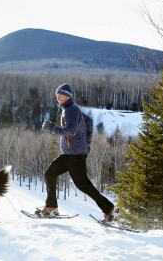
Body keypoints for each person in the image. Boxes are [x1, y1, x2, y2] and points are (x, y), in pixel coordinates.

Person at [36, 83, 115, 221]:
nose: (58, 98)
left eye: (60, 96)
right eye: (57, 96)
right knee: (50, 174)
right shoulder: (71, 108)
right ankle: (51, 208)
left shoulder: (70, 110)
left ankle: (108, 208)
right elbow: (88, 121)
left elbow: (70, 131)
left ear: (67, 96)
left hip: (75, 155)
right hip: (71, 154)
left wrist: (52, 128)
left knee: (82, 184)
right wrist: (87, 144)